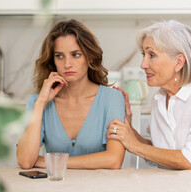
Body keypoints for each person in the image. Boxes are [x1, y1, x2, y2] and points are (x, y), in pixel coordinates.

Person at [107, 20, 191, 170]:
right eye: (144, 54)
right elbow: (160, 153)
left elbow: (190, 161)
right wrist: (129, 131)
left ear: (179, 62)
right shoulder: (159, 99)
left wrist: (135, 146)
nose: (143, 64)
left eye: (152, 55)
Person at [17, 19, 126, 169]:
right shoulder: (37, 102)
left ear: (90, 57)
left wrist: (52, 162)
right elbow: (26, 161)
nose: (67, 64)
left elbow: (114, 160)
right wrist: (41, 102)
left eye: (75, 55)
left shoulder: (112, 99)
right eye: (59, 56)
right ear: (52, 61)